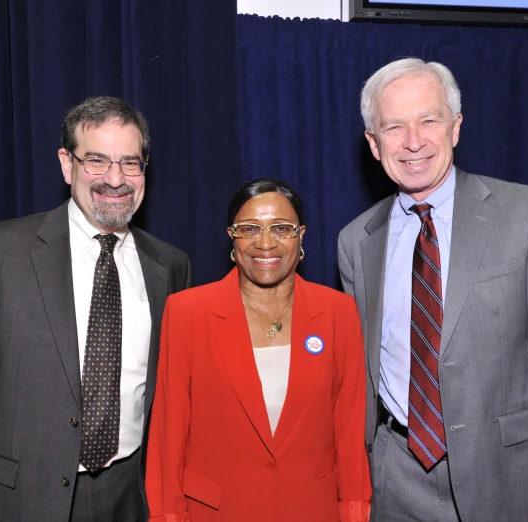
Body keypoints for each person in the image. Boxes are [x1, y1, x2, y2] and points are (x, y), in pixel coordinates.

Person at [337, 58, 528, 521]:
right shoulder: (356, 241)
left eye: (428, 120)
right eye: (394, 127)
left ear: (455, 127)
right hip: (392, 480)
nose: (413, 142)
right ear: (374, 144)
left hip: (508, 479)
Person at [0, 96, 192, 521]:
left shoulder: (170, 267)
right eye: (96, 160)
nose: (115, 179)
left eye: (130, 163)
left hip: (133, 496)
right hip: (24, 501)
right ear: (66, 163)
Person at [146, 178, 371, 522]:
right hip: (217, 513)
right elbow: (168, 436)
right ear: (232, 239)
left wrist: (355, 513)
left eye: (282, 228)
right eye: (249, 229)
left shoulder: (338, 312)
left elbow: (351, 434)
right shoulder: (187, 312)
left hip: (312, 510)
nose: (265, 243)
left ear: (301, 236)